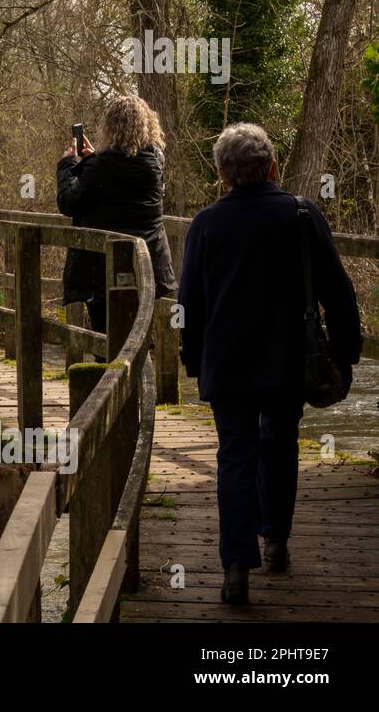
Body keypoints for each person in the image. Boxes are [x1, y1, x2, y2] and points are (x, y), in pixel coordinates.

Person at [178, 123, 361, 605]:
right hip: (286, 362)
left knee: (235, 456)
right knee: (279, 447)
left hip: (227, 363)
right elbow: (339, 296)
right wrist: (346, 356)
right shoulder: (302, 215)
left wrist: (192, 360)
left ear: (222, 175)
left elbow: (189, 305)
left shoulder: (206, 225)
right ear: (273, 167)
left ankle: (236, 568)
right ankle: (275, 541)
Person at [56, 95, 178, 333]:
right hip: (148, 266)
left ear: (110, 127)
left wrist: (68, 165)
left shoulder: (99, 168)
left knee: (106, 337)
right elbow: (120, 182)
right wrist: (92, 160)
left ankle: (111, 370)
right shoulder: (155, 163)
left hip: (102, 271)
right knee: (139, 335)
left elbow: (68, 202)